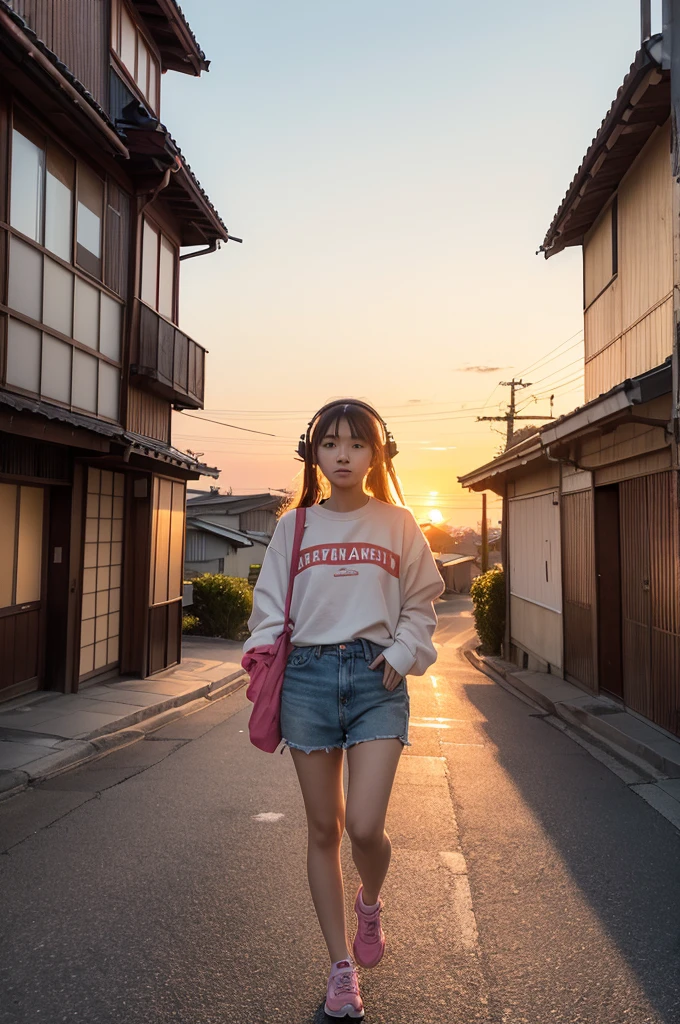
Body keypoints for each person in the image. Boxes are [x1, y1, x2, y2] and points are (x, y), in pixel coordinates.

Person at [242, 399, 445, 1019]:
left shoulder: (399, 524)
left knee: (362, 826)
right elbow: (270, 604)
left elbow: (422, 604)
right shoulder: (294, 526)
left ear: (376, 453)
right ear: (314, 453)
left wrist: (404, 652)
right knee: (324, 829)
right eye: (330, 444)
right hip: (306, 677)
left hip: (375, 678)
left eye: (357, 444)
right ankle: (340, 969)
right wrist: (262, 652)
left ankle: (370, 902)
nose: (343, 456)